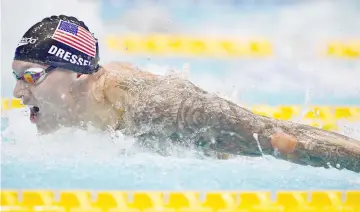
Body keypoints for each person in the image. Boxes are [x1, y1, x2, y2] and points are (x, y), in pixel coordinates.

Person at [12, 15, 360, 173]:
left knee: (275, 141)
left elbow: (279, 137)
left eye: (30, 77)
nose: (17, 92)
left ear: (75, 71)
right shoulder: (75, 105)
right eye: (17, 78)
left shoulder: (155, 106)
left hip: (186, 116)